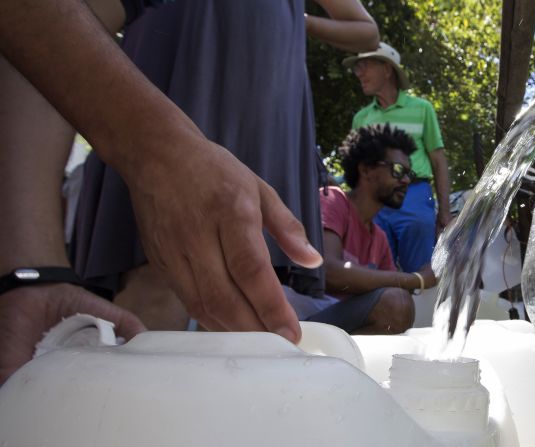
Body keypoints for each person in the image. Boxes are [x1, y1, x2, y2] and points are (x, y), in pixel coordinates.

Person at [0, 0, 323, 384]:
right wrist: (154, 148)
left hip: (269, 76)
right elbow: (41, 40)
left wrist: (32, 273)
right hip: (170, 65)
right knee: (160, 283)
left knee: (241, 293)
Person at [69, 0, 379, 330]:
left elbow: (366, 31)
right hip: (176, 40)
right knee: (152, 263)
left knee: (248, 268)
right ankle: (133, 371)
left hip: (264, 73)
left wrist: (303, 22)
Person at [304, 124, 437, 334]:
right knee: (396, 304)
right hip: (305, 325)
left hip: (339, 330)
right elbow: (328, 272)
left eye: (408, 173)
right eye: (398, 170)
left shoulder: (379, 238)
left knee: (399, 304)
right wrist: (418, 279)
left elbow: (394, 288)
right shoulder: (332, 200)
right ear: (365, 169)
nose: (406, 180)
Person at [344, 42, 452, 274]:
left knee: (422, 275)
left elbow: (438, 160)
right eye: (357, 68)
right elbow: (356, 172)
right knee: (377, 276)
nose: (359, 73)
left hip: (414, 194)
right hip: (373, 203)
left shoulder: (422, 109)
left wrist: (444, 210)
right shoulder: (361, 118)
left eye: (365, 66)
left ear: (386, 69)